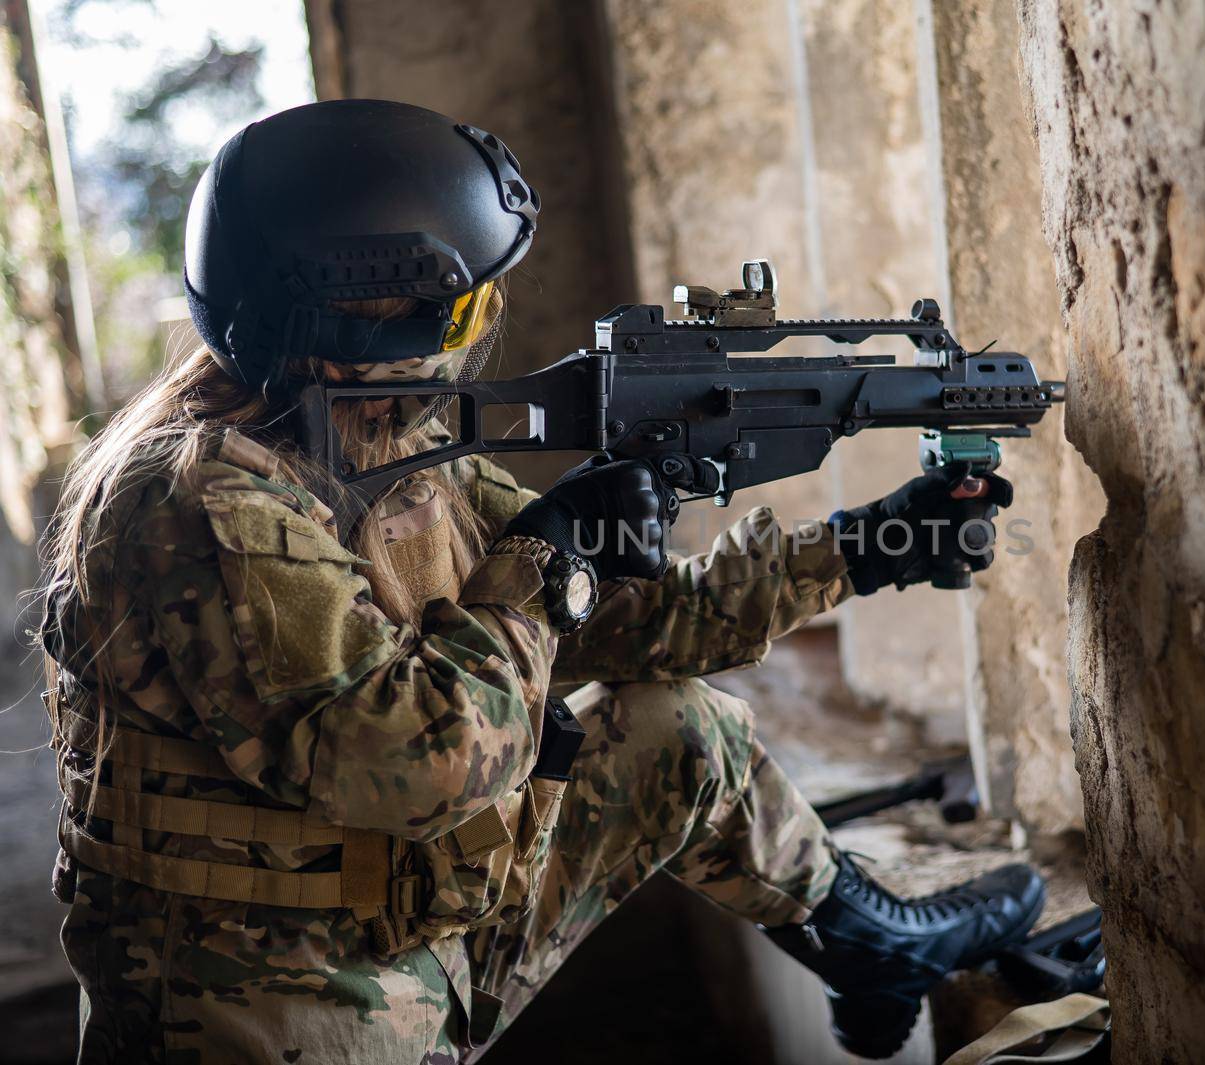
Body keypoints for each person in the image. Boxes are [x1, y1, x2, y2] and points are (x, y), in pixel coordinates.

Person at [38, 98, 1044, 1064]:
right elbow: (414, 767)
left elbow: (615, 626)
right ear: (368, 328)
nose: (482, 328)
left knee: (680, 730)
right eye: (467, 302)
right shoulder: (195, 505)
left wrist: (857, 550)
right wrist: (547, 563)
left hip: (415, 932)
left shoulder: (380, 443)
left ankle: (869, 947)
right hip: (278, 1014)